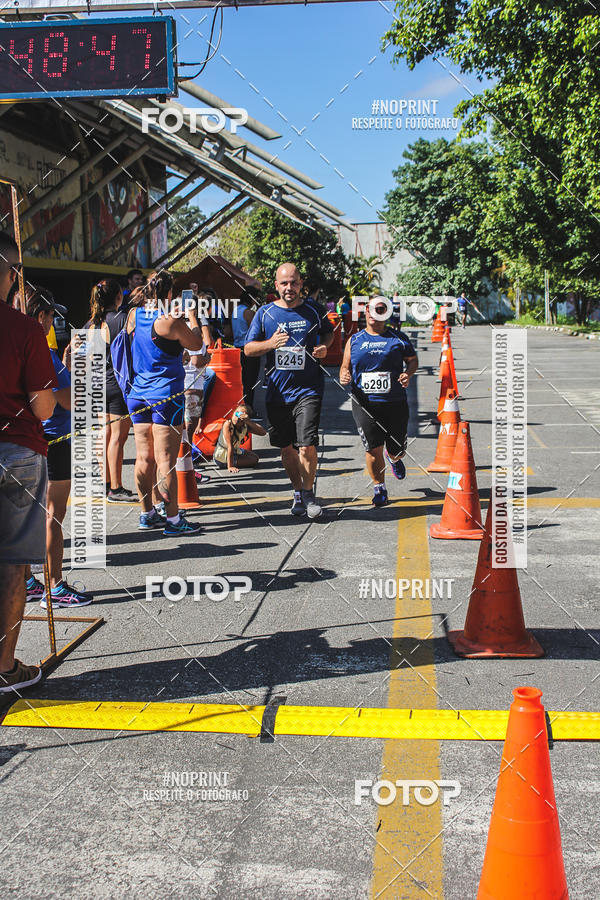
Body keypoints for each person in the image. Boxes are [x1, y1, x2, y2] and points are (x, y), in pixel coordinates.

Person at [0, 233, 57, 692]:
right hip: (15, 451)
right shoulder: (23, 329)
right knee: (13, 566)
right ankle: (3, 667)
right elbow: (43, 408)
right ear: (12, 274)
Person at [244, 262, 334, 518]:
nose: (289, 288)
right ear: (276, 286)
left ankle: (308, 493)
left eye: (294, 282)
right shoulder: (265, 313)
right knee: (287, 449)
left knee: (307, 445)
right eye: (284, 283)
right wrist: (270, 344)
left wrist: (324, 348)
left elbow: (329, 334)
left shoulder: (314, 310)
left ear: (301, 284)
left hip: (309, 389)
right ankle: (297, 491)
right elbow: (248, 349)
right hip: (277, 392)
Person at [24, 289, 93, 608]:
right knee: (53, 515)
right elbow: (69, 401)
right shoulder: (44, 352)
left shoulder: (21, 346)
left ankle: (27, 580)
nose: (54, 321)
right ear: (41, 317)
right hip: (55, 441)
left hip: (30, 441)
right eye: (51, 315)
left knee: (28, 516)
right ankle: (55, 586)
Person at [126, 271, 204, 536]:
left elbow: (140, 343)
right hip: (165, 396)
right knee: (166, 460)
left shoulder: (135, 315)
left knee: (144, 457)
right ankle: (173, 520)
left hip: (138, 393)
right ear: (170, 293)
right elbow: (197, 344)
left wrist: (171, 352)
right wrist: (192, 315)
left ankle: (147, 513)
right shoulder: (170, 322)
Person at [339, 296, 419, 507]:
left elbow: (412, 361)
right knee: (372, 448)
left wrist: (408, 374)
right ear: (366, 311)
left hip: (395, 402)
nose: (376, 313)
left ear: (387, 313)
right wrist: (343, 375)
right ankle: (379, 488)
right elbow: (344, 366)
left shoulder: (398, 338)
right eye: (373, 309)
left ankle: (394, 458)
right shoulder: (354, 340)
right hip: (364, 403)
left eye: (382, 309)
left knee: (396, 449)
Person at [85, 278, 134, 502]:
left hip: (95, 384)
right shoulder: (122, 320)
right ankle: (115, 487)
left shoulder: (89, 325)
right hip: (116, 384)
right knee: (118, 436)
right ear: (118, 297)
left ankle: (104, 484)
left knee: (103, 434)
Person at [213, 403, 266, 472]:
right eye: (237, 414)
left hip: (235, 450)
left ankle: (236, 459)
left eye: (241, 416)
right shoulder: (228, 424)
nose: (237, 418)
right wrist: (230, 466)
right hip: (222, 457)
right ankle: (228, 463)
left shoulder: (244, 425)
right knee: (254, 460)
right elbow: (230, 446)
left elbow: (263, 432)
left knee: (255, 457)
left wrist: (249, 422)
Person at [231, 288, 260, 409]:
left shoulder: (235, 310)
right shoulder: (249, 313)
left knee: (241, 380)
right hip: (249, 348)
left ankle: (239, 406)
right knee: (250, 381)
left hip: (237, 348)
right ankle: (248, 408)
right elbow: (257, 331)